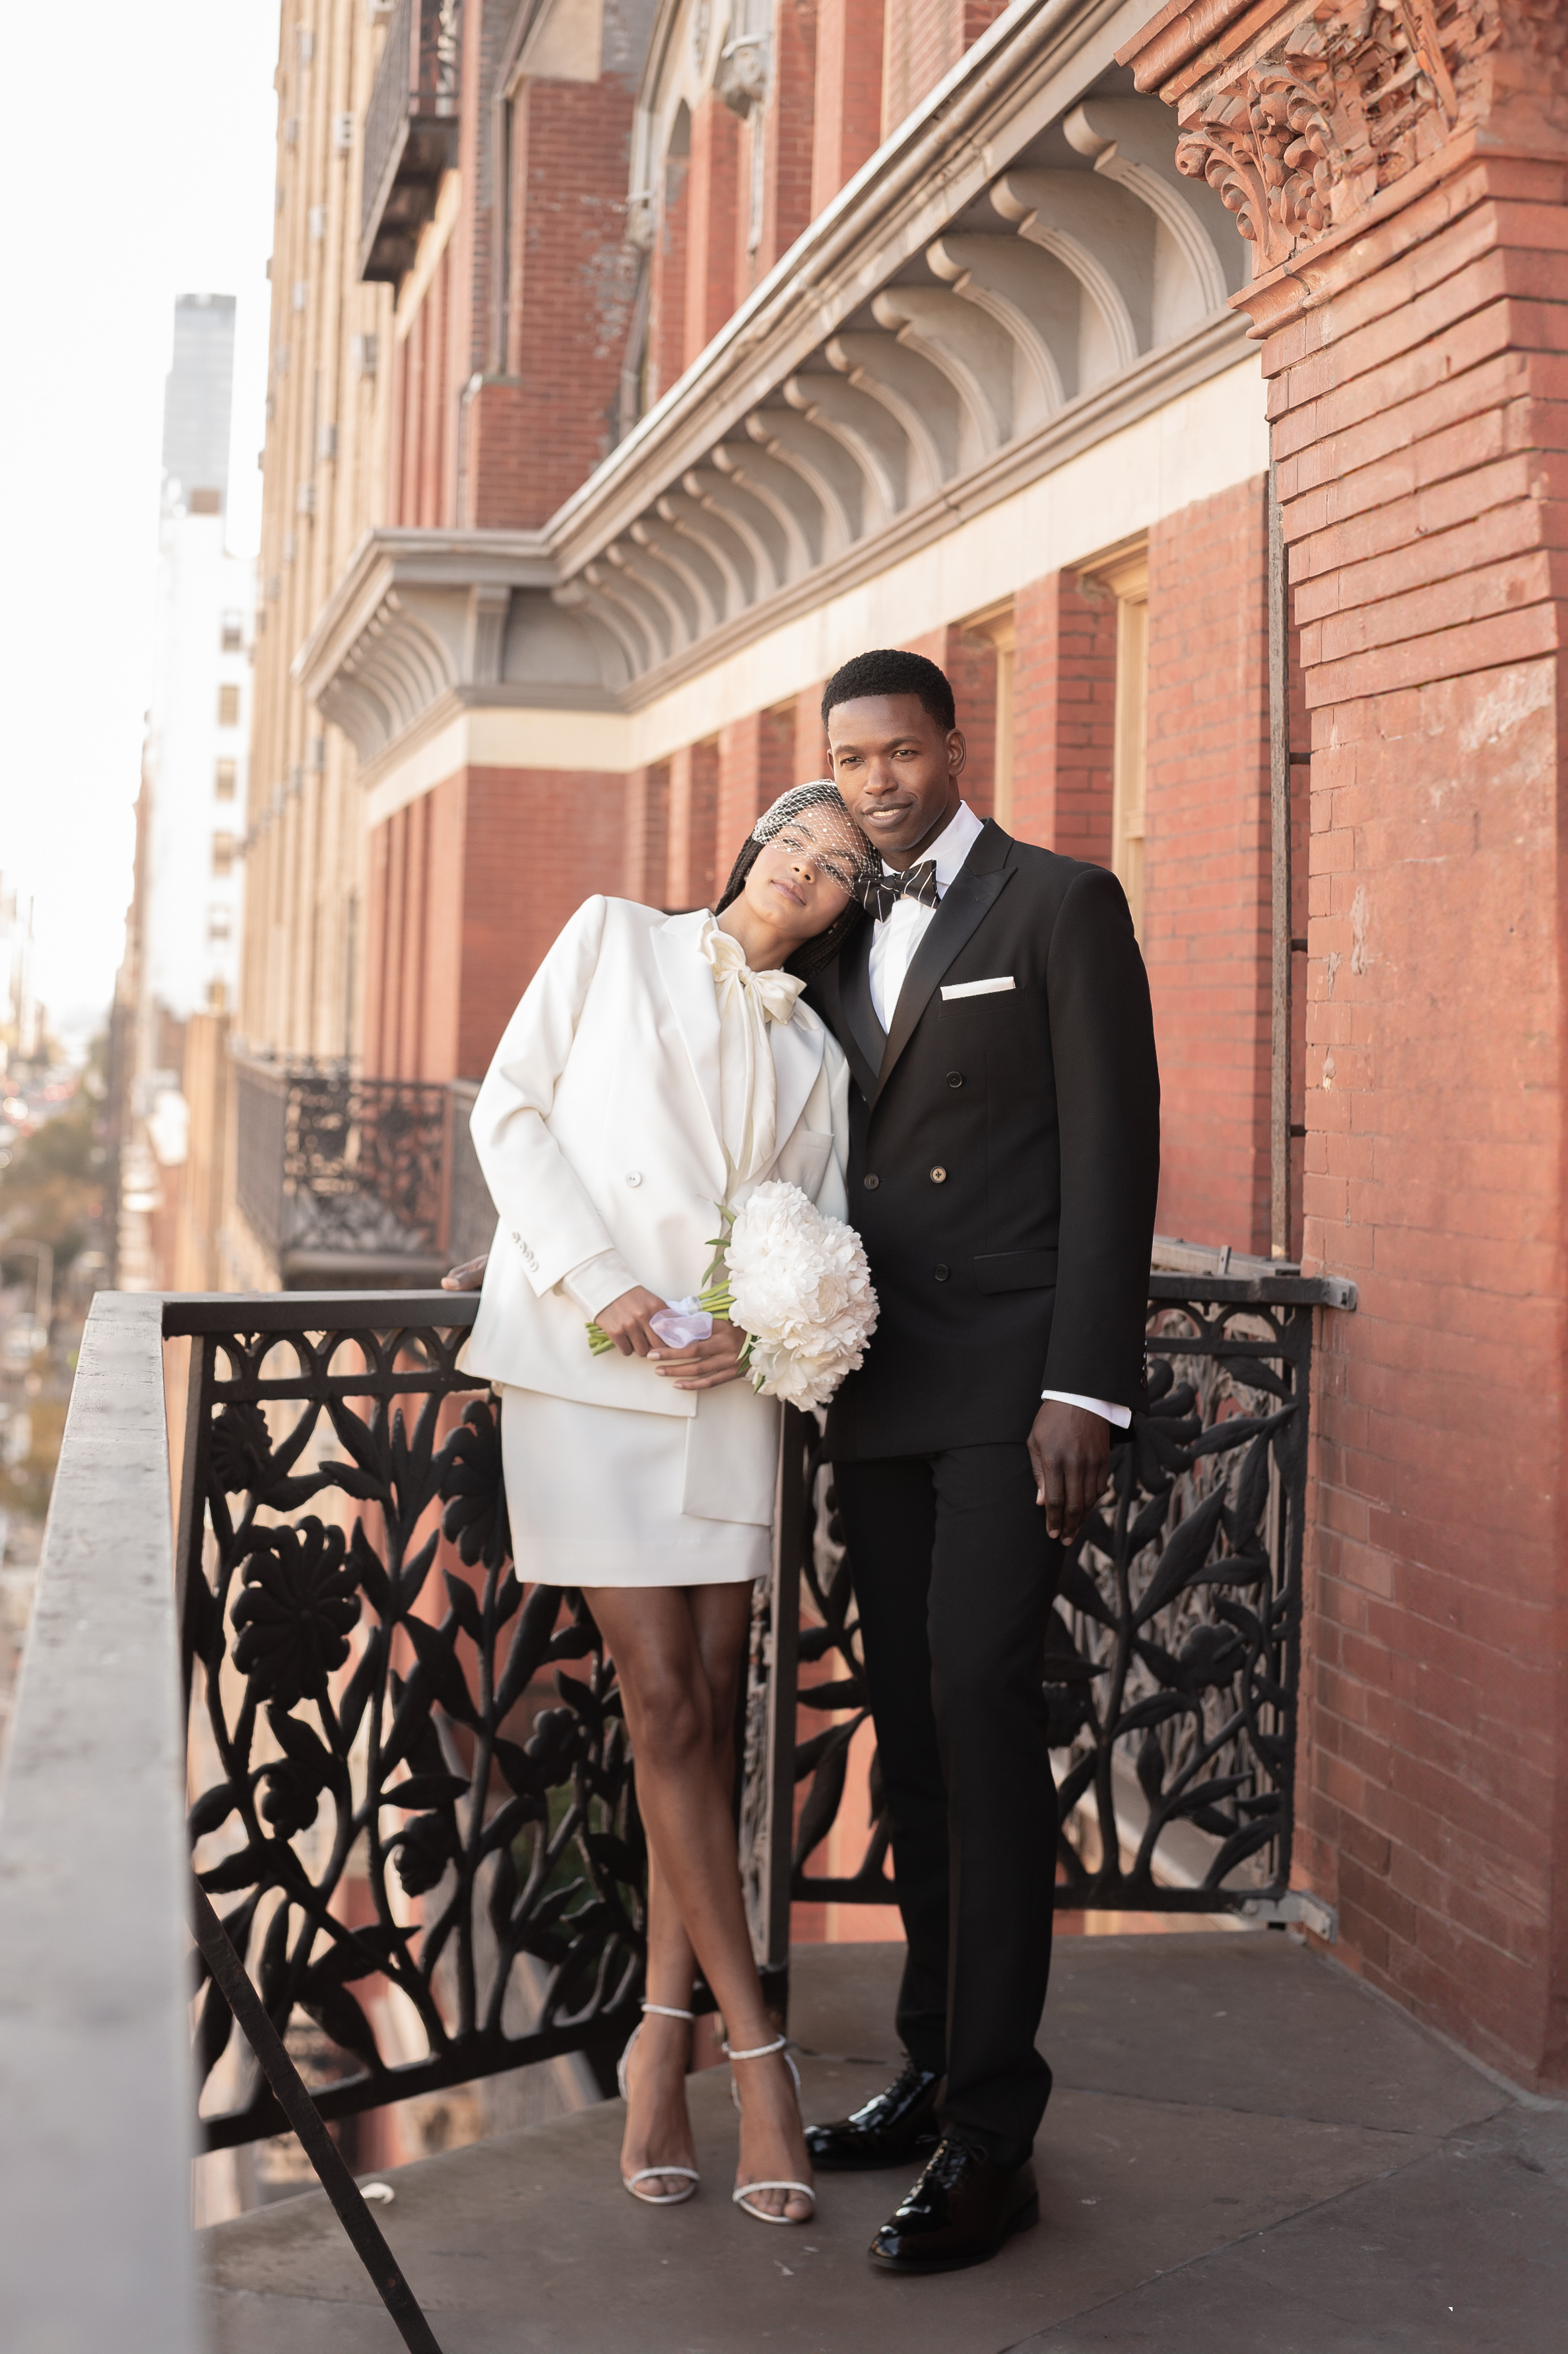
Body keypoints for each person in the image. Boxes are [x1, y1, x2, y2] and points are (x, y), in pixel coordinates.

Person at [453, 784, 876, 2226]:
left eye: (838, 878)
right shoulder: (610, 937)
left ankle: (654, 2038)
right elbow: (511, 1116)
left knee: (705, 1707)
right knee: (663, 1703)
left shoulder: (816, 1047)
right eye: (796, 850)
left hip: (721, 1390)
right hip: (589, 1362)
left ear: (844, 913)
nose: (806, 880)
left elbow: (812, 1229)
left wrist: (753, 1341)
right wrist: (607, 1289)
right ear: (754, 843)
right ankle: (753, 2060)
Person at [798, 648, 1160, 2271]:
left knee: (976, 1707)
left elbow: (1114, 1156)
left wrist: (1087, 1388)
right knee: (913, 1737)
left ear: (954, 747)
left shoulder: (1059, 904)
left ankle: (995, 2132)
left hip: (1015, 1391)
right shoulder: (828, 932)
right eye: (850, 759)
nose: (877, 779)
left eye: (899, 751)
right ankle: (931, 2063)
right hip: (874, 1386)